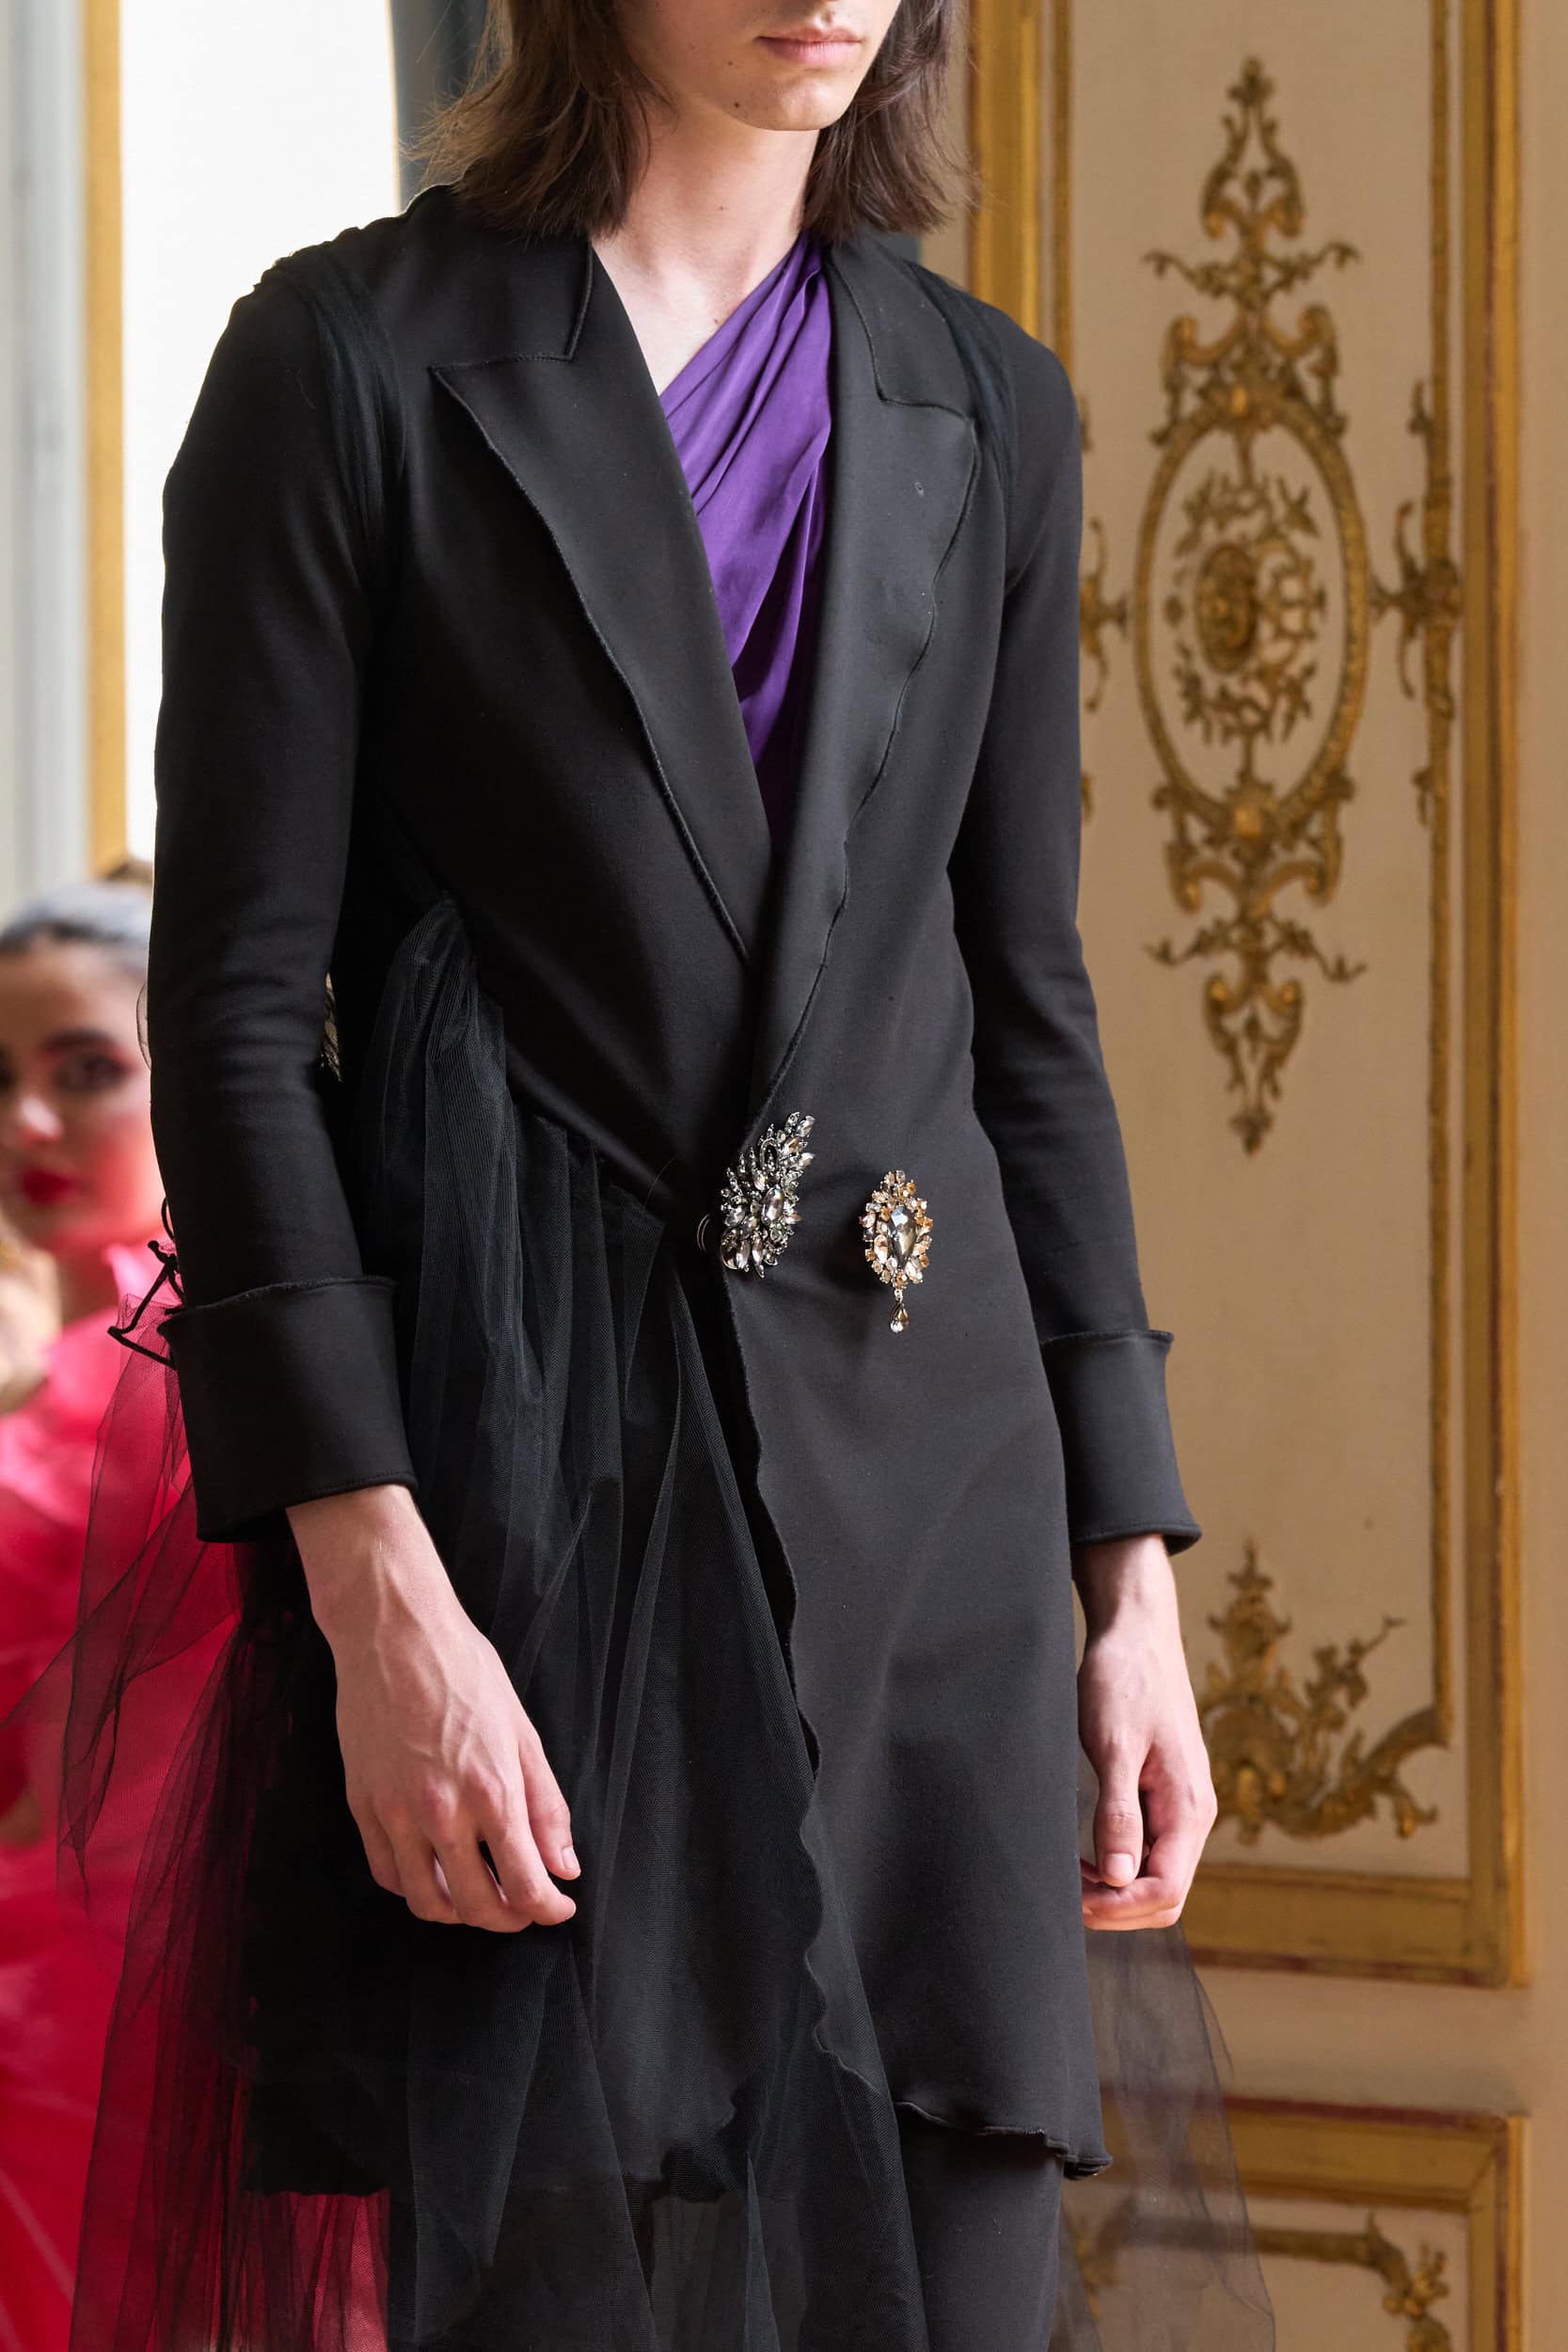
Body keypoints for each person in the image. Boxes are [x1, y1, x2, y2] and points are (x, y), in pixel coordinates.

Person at [39, 6, 1276, 2347]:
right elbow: (239, 1024)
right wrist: (374, 1597)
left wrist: (1130, 1572)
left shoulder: (992, 405)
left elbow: (1028, 1005)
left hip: (935, 1522)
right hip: (535, 1524)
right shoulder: (344, 366)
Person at [0, 874, 167, 2352]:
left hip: (151, 2022)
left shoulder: (195, 1391)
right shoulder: (40, 1389)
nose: (27, 1123)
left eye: (87, 1071)